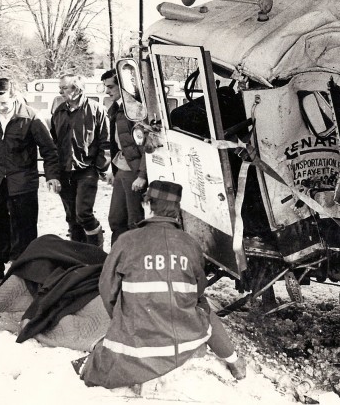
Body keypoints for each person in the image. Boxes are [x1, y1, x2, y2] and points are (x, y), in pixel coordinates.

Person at [75, 180, 246, 389]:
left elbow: (106, 288)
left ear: (148, 205)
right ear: (177, 211)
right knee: (204, 307)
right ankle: (235, 362)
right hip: (183, 342)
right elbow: (198, 291)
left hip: (133, 344)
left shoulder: (126, 241)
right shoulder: (190, 244)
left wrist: (122, 316)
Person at [0, 78, 61, 292]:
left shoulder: (30, 117)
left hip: (23, 182)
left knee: (25, 230)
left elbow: (49, 150)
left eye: (4, 102)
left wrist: (52, 176)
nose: (0, 107)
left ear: (14, 96)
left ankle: (25, 276)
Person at [50, 74, 109, 247]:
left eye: (64, 88)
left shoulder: (96, 109)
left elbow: (106, 142)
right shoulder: (59, 111)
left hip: (87, 170)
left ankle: (96, 250)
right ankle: (77, 255)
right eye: (60, 87)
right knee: (71, 217)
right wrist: (53, 172)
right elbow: (53, 143)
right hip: (64, 171)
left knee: (83, 213)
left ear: (77, 89)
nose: (60, 91)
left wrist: (100, 167)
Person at [101, 68, 147, 245]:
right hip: (122, 169)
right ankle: (116, 260)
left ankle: (134, 265)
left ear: (123, 86)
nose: (107, 91)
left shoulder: (134, 110)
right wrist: (114, 170)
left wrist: (142, 175)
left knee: (134, 221)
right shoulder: (117, 109)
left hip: (134, 172)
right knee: (116, 219)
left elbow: (148, 145)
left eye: (111, 86)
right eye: (106, 87)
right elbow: (119, 144)